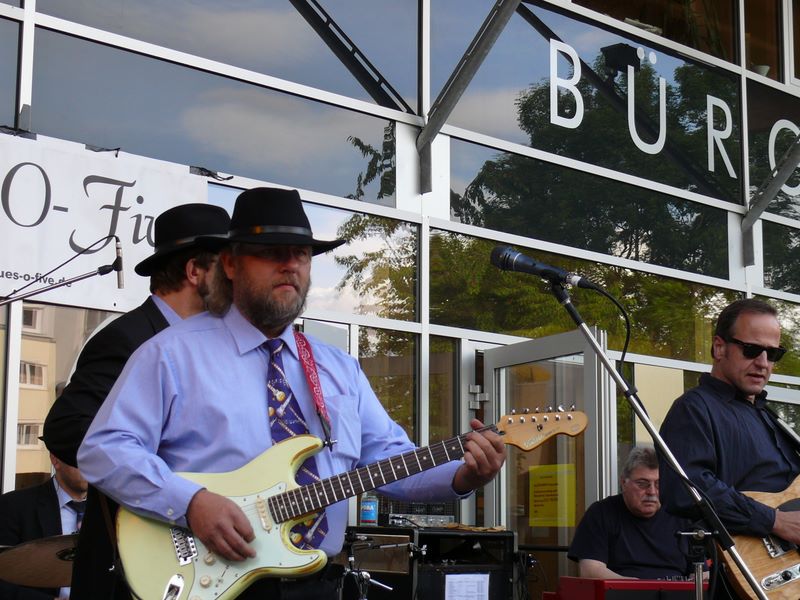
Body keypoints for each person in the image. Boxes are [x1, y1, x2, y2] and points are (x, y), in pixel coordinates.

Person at [77, 186, 507, 600]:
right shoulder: (171, 354)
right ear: (230, 264)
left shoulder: (339, 369)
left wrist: (464, 476)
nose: (290, 265)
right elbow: (103, 449)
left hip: (318, 581)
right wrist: (191, 504)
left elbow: (392, 462)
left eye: (300, 253)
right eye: (271, 253)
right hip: (211, 577)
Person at [42, 202, 231, 600]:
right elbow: (66, 428)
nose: (236, 276)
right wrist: (161, 470)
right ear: (194, 271)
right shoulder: (127, 338)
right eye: (226, 264)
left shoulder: (214, 347)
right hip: (132, 559)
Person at [659, 298, 800, 596]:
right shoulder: (694, 409)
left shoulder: (767, 416)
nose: (763, 362)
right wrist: (774, 520)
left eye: (773, 353)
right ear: (719, 347)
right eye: (751, 350)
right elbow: (687, 489)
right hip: (744, 575)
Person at [568, 447, 693, 580]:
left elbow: (701, 572)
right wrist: (637, 587)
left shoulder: (680, 515)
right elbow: (590, 571)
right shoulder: (601, 513)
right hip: (620, 591)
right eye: (642, 484)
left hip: (677, 591)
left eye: (658, 484)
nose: (652, 491)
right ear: (623, 482)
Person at [0, 448, 88, 600]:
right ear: (55, 459)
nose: (90, 465)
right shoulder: (14, 506)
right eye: (81, 456)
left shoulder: (113, 509)